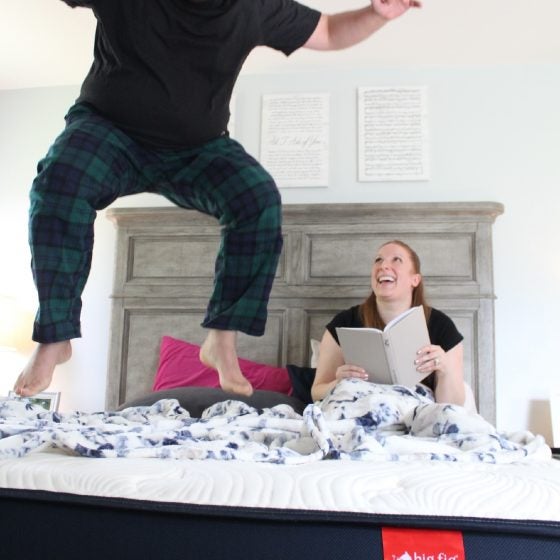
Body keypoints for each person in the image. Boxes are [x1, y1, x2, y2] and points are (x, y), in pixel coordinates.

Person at [13, 0, 422, 399]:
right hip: (108, 131)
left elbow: (329, 31)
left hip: (197, 150)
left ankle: (221, 339)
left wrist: (375, 13)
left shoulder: (252, 8)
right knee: (60, 181)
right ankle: (54, 336)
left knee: (258, 200)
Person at [311, 240, 466, 405]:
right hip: (361, 409)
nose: (383, 266)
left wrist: (444, 371)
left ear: (415, 280)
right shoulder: (344, 322)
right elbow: (316, 393)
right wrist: (339, 384)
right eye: (378, 260)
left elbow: (454, 407)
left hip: (415, 411)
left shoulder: (442, 327)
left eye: (396, 259)